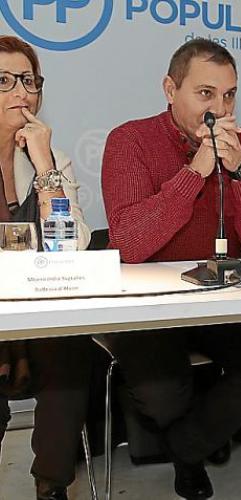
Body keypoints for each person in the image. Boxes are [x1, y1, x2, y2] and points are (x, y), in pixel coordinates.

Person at [101, 39, 241, 499]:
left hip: (220, 295)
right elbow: (129, 244)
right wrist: (194, 173)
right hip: (149, 302)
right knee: (164, 393)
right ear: (171, 89)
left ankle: (188, 447)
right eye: (206, 94)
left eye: (229, 95)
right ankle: (196, 444)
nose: (220, 109)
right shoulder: (129, 140)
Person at [0, 35, 92, 500]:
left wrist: (44, 167)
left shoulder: (52, 160)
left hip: (34, 315)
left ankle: (52, 484)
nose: (21, 92)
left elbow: (73, 244)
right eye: (4, 81)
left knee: (71, 353)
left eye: (28, 80)